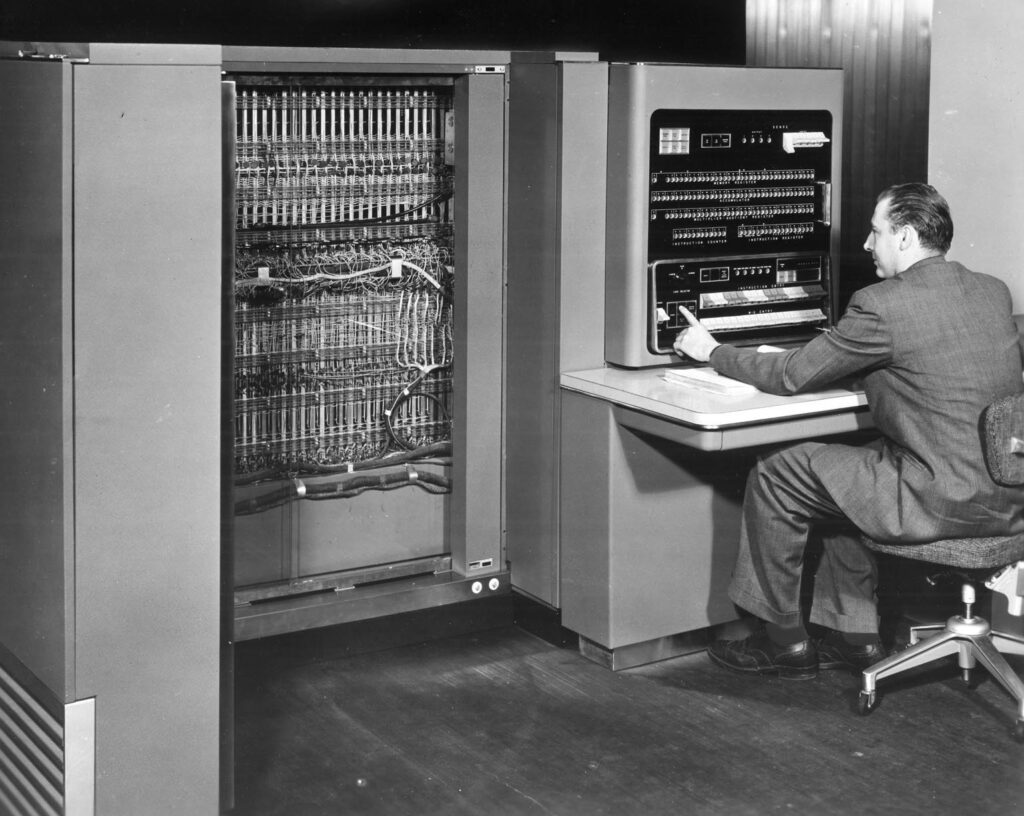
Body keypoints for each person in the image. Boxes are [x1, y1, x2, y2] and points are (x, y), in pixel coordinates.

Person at [673, 182, 1024, 679]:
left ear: (905, 237)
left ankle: (784, 642)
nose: (866, 243)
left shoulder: (881, 304)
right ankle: (855, 637)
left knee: (778, 471)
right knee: (845, 472)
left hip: (936, 500)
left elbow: (791, 374)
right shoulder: (991, 290)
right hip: (1004, 499)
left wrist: (712, 351)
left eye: (875, 232)